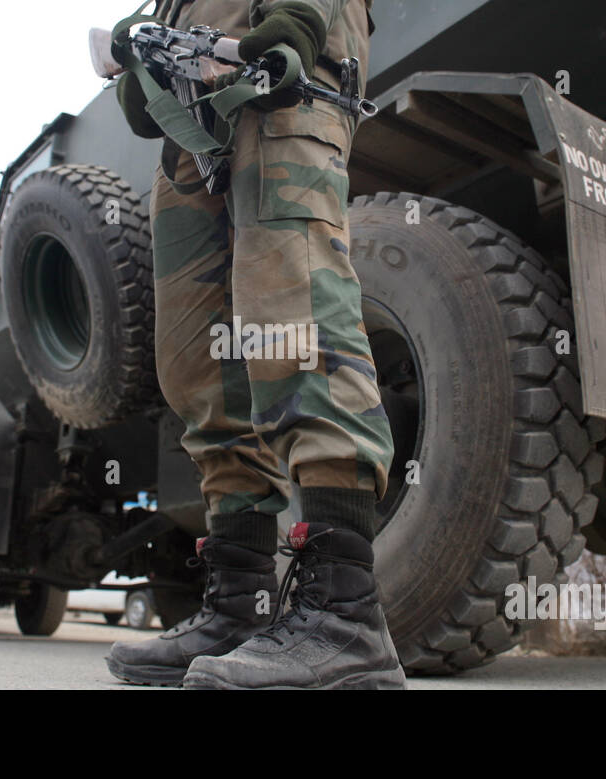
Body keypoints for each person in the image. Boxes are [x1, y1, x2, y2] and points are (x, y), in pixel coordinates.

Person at [106, 0, 405, 689]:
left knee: (292, 306)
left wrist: (300, 14)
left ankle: (346, 615)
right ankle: (241, 601)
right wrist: (137, 54)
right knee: (197, 361)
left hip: (284, 75)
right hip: (191, 115)